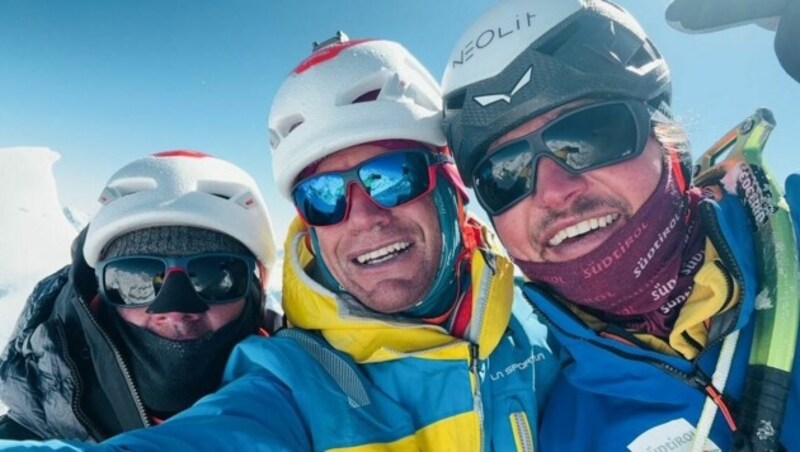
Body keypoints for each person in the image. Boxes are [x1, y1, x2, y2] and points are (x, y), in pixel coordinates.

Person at [0, 35, 558, 451]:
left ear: (452, 182)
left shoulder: (552, 326)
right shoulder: (288, 385)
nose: (363, 215)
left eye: (394, 175)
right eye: (322, 195)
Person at [440, 0, 800, 450]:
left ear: (667, 141)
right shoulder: (566, 433)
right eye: (505, 174)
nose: (553, 191)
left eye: (587, 136)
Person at [0, 150, 278, 442]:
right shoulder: (28, 436)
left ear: (255, 294)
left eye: (215, 276)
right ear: (98, 296)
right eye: (138, 279)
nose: (175, 309)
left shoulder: (309, 409)